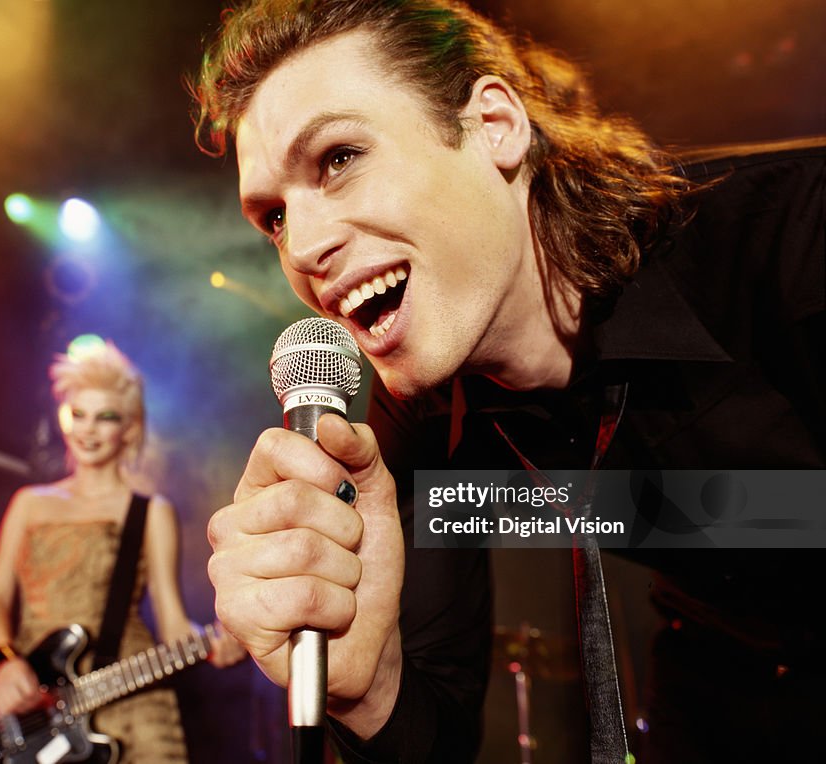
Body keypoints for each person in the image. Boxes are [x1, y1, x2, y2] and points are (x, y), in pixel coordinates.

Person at [191, 1, 825, 762]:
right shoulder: (412, 430)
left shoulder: (793, 241)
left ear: (495, 127)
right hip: (729, 679)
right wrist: (371, 690)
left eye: (338, 158)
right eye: (274, 217)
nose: (304, 248)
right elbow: (438, 737)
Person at [0, 340, 245, 763]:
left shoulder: (152, 512)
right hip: (41, 710)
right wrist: (6, 662)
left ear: (130, 429)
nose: (88, 429)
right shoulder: (29, 503)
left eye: (106, 417)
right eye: (78, 414)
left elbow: (173, 625)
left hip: (134, 705)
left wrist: (217, 641)